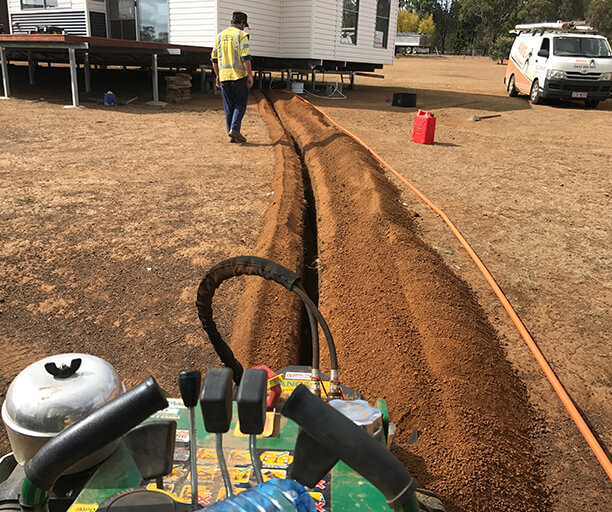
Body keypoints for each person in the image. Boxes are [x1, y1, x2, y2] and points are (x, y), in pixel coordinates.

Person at [211, 11, 254, 143]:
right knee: (240, 103)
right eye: (244, 25)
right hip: (239, 76)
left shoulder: (219, 36)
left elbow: (214, 59)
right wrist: (250, 74)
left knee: (228, 106)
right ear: (241, 23)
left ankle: (231, 133)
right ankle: (234, 129)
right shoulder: (241, 35)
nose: (244, 27)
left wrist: (218, 76)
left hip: (224, 77)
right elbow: (245, 57)